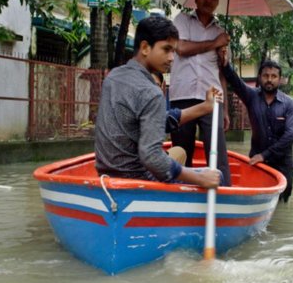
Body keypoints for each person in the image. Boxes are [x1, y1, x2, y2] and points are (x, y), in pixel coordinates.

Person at [94, 16, 220, 188]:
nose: (172, 58)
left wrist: (205, 107)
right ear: (145, 47)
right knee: (211, 175)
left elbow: (158, 119)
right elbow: (152, 157)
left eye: (174, 51)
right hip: (138, 180)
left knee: (179, 152)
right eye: (167, 49)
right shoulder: (151, 92)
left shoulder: (113, 77)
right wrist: (200, 178)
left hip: (105, 175)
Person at [170, 0, 232, 186]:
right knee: (182, 153)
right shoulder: (182, 20)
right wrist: (214, 43)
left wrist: (226, 111)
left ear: (217, 1)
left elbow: (222, 73)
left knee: (218, 156)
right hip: (182, 96)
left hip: (213, 98)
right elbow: (182, 48)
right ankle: (180, 199)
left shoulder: (222, 33)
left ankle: (224, 197)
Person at [218, 53, 293, 202]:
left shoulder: (289, 104)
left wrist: (264, 155)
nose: (269, 79)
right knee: (256, 200)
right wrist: (225, 63)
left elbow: (290, 135)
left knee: (281, 205)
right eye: (266, 75)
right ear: (259, 77)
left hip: (282, 164)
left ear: (280, 80)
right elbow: (234, 81)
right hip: (257, 163)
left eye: (274, 76)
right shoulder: (251, 96)